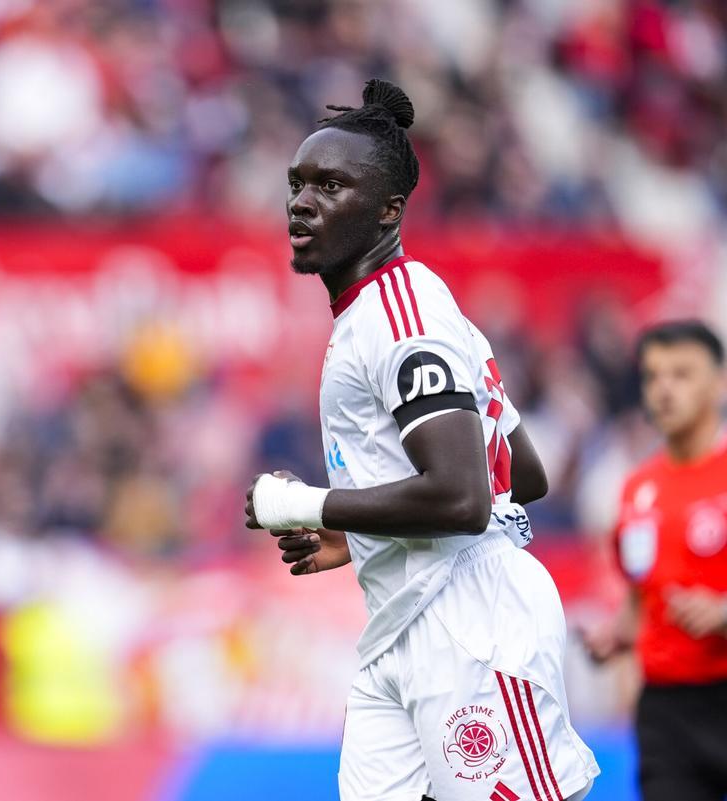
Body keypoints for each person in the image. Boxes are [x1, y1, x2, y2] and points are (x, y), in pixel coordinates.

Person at [243, 78, 598, 801]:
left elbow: (466, 497)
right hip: (403, 626)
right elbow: (519, 472)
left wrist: (313, 505)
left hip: (472, 623)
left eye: (332, 185)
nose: (302, 202)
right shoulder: (400, 309)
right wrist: (370, 535)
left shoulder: (399, 318)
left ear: (388, 208)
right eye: (297, 184)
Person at [581, 321, 727, 801]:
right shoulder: (636, 489)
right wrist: (617, 634)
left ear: (719, 382)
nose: (664, 390)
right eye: (653, 376)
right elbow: (641, 596)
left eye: (682, 375)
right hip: (666, 713)